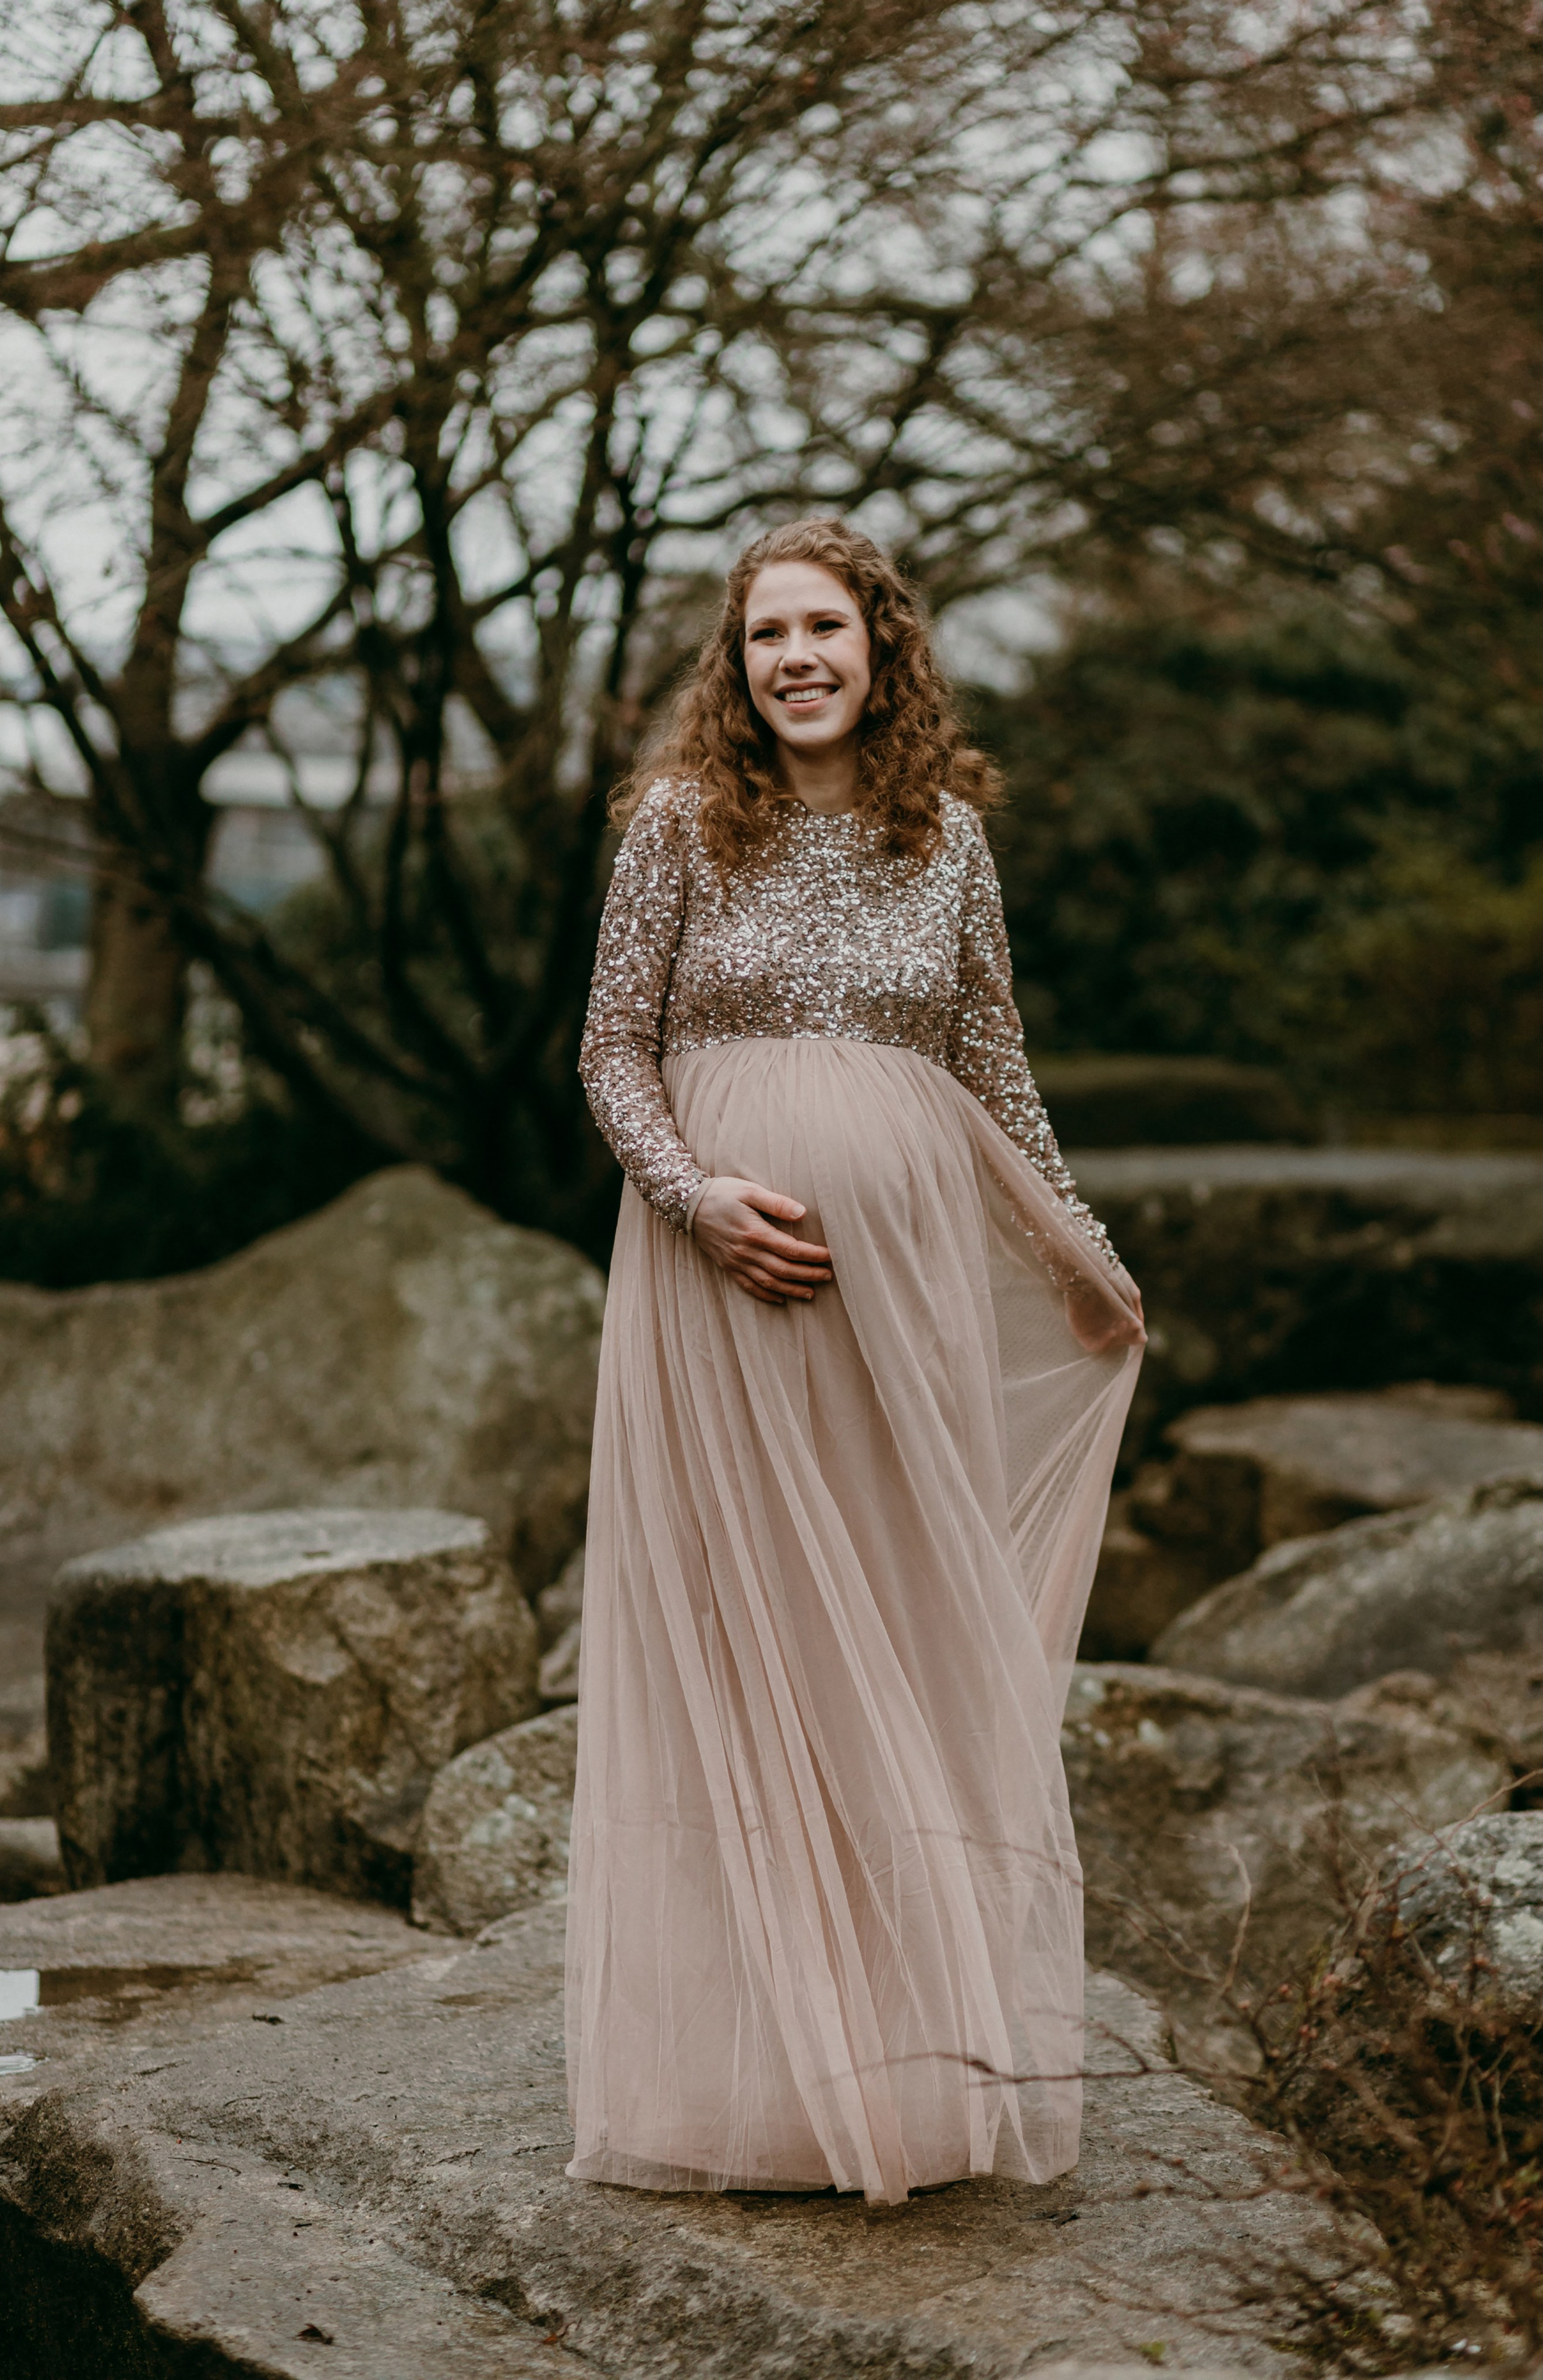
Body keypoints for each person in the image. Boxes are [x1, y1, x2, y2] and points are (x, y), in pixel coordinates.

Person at [566, 518, 1145, 2208]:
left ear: (883, 647)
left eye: (826, 628)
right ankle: (747, 2078)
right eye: (765, 637)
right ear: (734, 667)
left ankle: (900, 2064)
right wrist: (693, 1198)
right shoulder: (679, 823)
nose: (796, 658)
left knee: (902, 1622)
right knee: (752, 1649)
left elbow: (993, 1063)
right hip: (724, 1286)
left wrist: (1079, 1247)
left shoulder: (944, 836)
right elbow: (614, 1051)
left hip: (911, 1297)